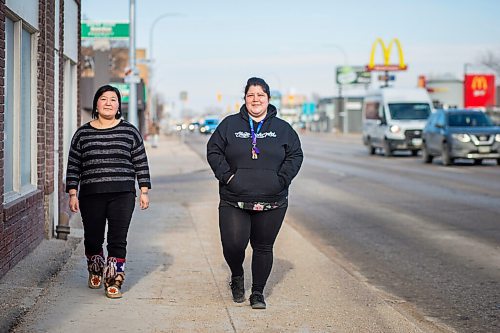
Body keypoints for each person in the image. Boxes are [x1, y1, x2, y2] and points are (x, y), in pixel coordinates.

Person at [207, 77, 303, 309]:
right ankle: (237, 275)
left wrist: (281, 180)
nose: (256, 99)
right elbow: (214, 151)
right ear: (245, 99)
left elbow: (295, 155)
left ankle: (258, 293)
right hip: (234, 199)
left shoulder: (283, 129)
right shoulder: (229, 125)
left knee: (263, 247)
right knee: (233, 245)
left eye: (261, 95)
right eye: (251, 95)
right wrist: (229, 177)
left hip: (272, 200)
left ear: (268, 99)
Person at [66, 84, 151, 299]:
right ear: (96, 103)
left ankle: (114, 280)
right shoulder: (83, 133)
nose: (108, 103)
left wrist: (143, 190)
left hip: (122, 193)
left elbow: (140, 161)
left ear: (118, 105)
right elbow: (74, 163)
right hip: (91, 194)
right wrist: (73, 192)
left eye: (113, 99)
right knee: (93, 237)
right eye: (103, 99)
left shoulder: (129, 131)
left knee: (117, 239)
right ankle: (95, 268)